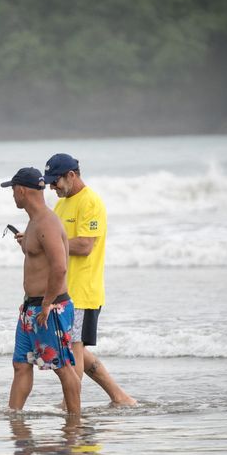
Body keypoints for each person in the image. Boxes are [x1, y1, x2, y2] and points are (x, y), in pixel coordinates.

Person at [42, 153, 136, 406]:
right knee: (77, 348)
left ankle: (70, 404)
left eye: (56, 181)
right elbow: (54, 243)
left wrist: (48, 243)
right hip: (63, 289)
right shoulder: (61, 205)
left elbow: (85, 245)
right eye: (49, 182)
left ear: (71, 175)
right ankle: (120, 397)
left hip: (83, 291)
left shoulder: (90, 202)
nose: (52, 187)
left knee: (73, 349)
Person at [1, 167, 80, 414]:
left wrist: (46, 304)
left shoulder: (47, 222)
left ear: (22, 190)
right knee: (20, 364)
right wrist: (27, 244)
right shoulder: (34, 221)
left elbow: (59, 268)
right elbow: (41, 260)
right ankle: (14, 416)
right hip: (31, 306)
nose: (12, 195)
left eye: (13, 190)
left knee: (62, 367)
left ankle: (75, 420)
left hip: (51, 307)